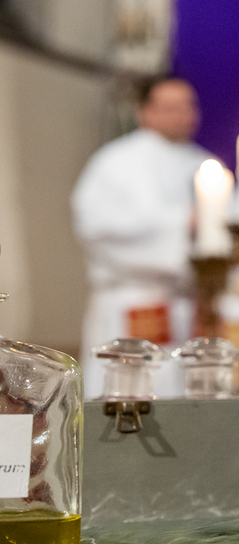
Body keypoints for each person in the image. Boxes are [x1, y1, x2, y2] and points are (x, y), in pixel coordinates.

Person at [72, 76, 210, 399]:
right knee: (126, 397)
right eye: (170, 107)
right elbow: (96, 226)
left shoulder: (206, 165)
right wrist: (181, 223)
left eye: (187, 106)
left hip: (190, 306)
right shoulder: (115, 161)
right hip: (131, 301)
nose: (181, 115)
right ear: (144, 111)